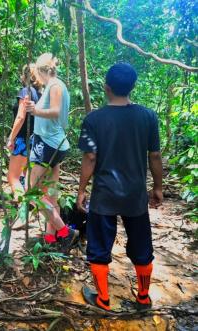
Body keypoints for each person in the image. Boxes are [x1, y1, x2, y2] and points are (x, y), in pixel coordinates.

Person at [77, 63, 163, 311]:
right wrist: (158, 187)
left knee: (99, 248)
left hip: (104, 195)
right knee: (142, 246)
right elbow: (154, 156)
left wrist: (82, 190)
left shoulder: (93, 119)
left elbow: (90, 158)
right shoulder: (147, 116)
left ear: (106, 87)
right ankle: (143, 298)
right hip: (135, 195)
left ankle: (103, 299)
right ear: (132, 87)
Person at [24, 53, 78, 253]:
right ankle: (50, 237)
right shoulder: (55, 86)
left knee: (31, 193)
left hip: (47, 145)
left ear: (40, 70)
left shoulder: (55, 86)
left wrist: (35, 111)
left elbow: (55, 111)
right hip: (55, 145)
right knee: (51, 194)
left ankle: (65, 232)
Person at [6, 64, 41, 201]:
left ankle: (22, 209)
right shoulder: (39, 93)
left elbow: (21, 117)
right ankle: (30, 215)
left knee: (13, 177)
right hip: (35, 140)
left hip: (23, 140)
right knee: (28, 180)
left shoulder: (25, 91)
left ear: (25, 75)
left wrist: (11, 138)